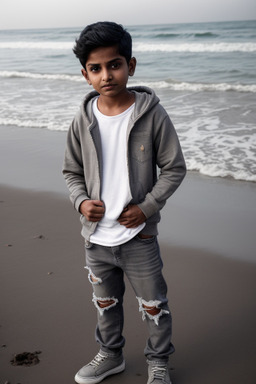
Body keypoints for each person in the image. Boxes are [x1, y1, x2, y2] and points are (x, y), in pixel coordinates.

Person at [62, 21, 186, 384]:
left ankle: (159, 362)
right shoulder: (82, 120)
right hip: (96, 238)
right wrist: (81, 202)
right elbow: (71, 172)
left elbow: (174, 168)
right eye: (96, 68)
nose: (106, 75)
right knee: (105, 304)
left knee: (154, 306)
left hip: (140, 239)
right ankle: (110, 355)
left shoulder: (151, 115)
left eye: (114, 64)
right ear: (85, 74)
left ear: (130, 65)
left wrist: (147, 207)